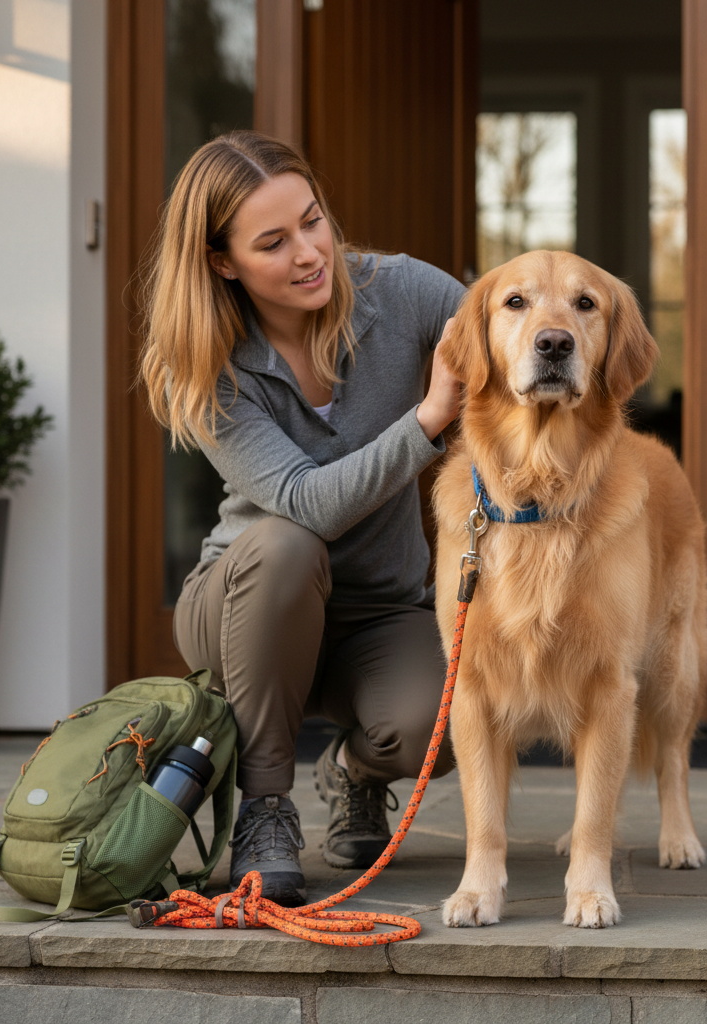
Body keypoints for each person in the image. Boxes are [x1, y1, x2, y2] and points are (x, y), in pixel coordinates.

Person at [139, 131, 465, 906]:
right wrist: (429, 420)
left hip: (377, 613)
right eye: (274, 242)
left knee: (452, 727)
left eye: (313, 221)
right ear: (223, 261)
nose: (310, 252)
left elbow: (502, 330)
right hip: (248, 602)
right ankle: (264, 808)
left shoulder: (403, 292)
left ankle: (354, 772)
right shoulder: (211, 365)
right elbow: (312, 506)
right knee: (286, 543)